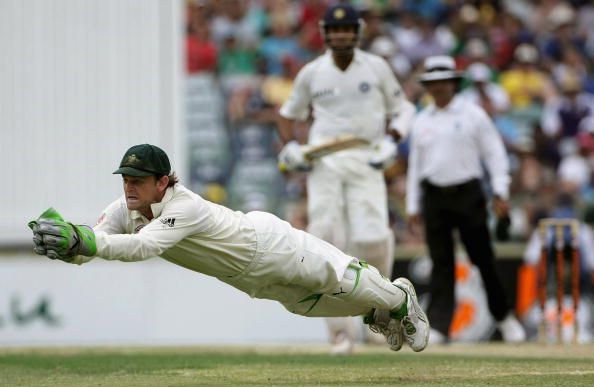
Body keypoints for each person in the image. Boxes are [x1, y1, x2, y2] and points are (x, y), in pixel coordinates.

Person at [28, 143, 429, 353]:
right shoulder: (124, 208)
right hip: (246, 277)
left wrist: (84, 240)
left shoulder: (184, 205)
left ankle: (398, 298)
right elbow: (93, 243)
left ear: (163, 182)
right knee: (309, 303)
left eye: (138, 178)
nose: (129, 186)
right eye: (125, 178)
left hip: (268, 245)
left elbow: (141, 248)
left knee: (334, 275)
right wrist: (68, 246)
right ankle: (379, 309)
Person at [275, 3, 416, 354]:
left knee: (372, 239)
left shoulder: (376, 67)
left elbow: (404, 109)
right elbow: (287, 115)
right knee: (325, 240)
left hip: (367, 158)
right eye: (335, 30)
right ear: (325, 33)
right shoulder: (312, 72)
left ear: (358, 33)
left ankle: (380, 311)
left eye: (347, 30)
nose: (340, 35)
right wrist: (291, 146)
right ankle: (339, 332)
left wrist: (391, 141)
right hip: (324, 163)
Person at [406, 55, 526, 344]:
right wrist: (413, 205)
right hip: (434, 196)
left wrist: (500, 191)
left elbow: (495, 155)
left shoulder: (473, 115)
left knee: (483, 258)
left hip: (467, 193)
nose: (438, 88)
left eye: (443, 82)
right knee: (441, 262)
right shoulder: (422, 120)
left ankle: (504, 317)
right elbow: (415, 166)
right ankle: (439, 326)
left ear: (453, 83)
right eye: (432, 83)